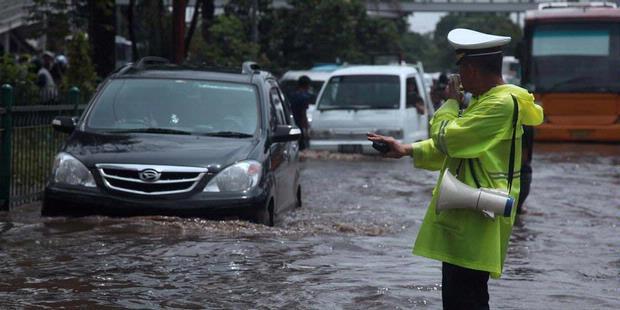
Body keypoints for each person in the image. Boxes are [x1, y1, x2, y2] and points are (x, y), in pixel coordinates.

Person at [368, 28, 544, 309]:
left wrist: (449, 103)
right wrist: (405, 149)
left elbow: (448, 139)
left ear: (472, 70)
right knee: (460, 298)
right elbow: (458, 151)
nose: (458, 78)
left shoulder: (499, 104)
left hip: (478, 217)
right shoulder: (484, 102)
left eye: (460, 69)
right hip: (468, 216)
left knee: (466, 300)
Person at [288, 75, 313, 150]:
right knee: (302, 149)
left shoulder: (291, 95)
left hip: (290, 125)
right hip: (299, 126)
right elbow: (303, 115)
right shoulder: (304, 97)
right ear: (307, 86)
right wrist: (306, 129)